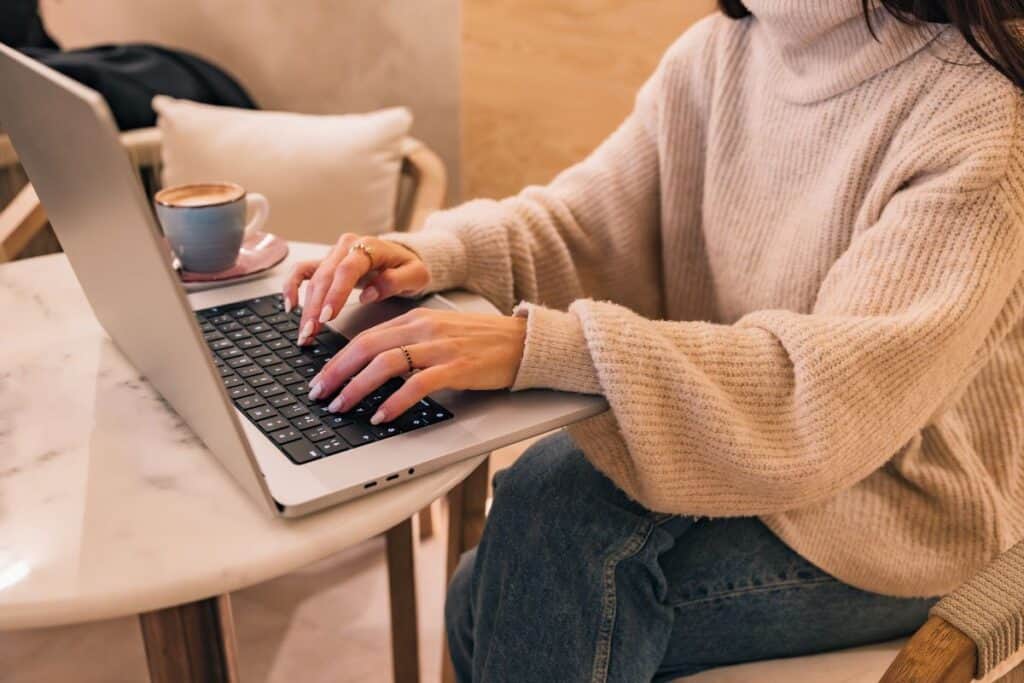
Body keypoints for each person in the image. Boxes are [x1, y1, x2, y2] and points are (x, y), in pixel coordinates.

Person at [285, 0, 1024, 680]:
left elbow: (830, 397)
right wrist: (435, 256)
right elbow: (586, 226)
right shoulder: (723, 50)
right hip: (755, 454)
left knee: (548, 519)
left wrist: (539, 347)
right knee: (485, 589)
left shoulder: (982, 114)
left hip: (906, 511)